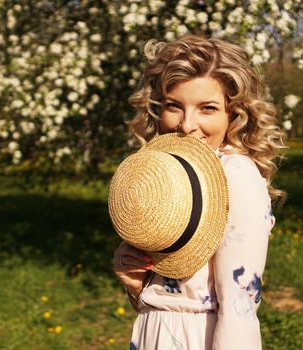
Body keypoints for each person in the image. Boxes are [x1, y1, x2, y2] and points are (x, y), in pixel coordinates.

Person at [112, 35, 285, 350]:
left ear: (233, 113)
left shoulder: (236, 177)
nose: (187, 125)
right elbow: (167, 301)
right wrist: (137, 286)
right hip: (152, 335)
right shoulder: (162, 174)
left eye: (207, 108)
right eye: (174, 106)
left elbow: (239, 311)